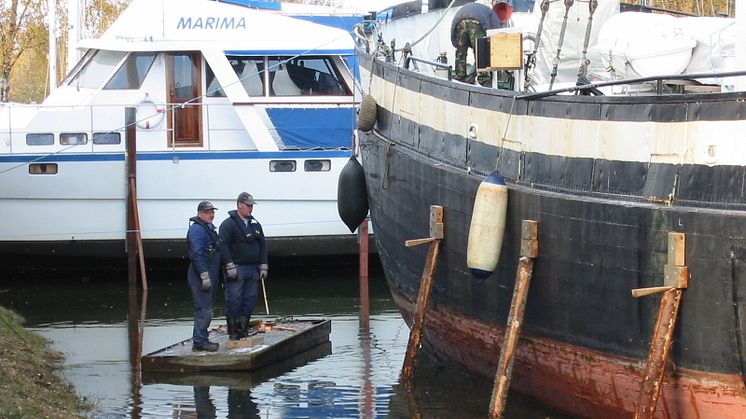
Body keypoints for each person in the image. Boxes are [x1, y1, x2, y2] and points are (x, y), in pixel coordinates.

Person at [186, 201, 237, 351]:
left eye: (212, 212)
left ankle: (202, 339)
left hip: (212, 274)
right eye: (208, 212)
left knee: (207, 308)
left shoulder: (209, 229)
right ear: (200, 214)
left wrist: (229, 264)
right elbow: (197, 254)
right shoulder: (196, 230)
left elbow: (220, 247)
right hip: (200, 276)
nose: (211, 215)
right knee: (204, 309)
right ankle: (200, 342)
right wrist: (203, 275)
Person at [219, 192, 268, 341]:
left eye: (252, 206)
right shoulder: (228, 225)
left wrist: (263, 265)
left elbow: (262, 245)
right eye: (248, 205)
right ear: (239, 205)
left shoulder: (255, 224)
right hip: (237, 268)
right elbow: (223, 246)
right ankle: (233, 331)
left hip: (252, 269)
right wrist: (229, 264)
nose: (250, 209)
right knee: (234, 299)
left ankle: (243, 328)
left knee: (250, 299)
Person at [450, 0, 512, 86]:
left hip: (460, 21)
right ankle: (483, 78)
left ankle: (460, 76)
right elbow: (496, 35)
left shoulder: (483, 9)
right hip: (476, 22)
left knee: (461, 52)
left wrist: (455, 42)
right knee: (480, 50)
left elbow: (455, 35)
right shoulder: (492, 14)